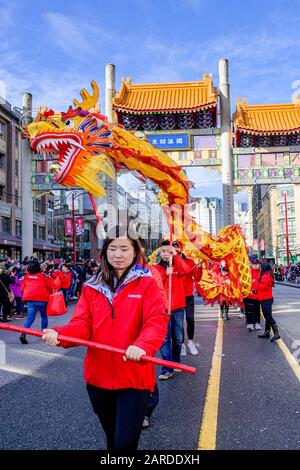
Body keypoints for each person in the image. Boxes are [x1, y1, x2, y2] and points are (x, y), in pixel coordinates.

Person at [42, 227, 168, 451]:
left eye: (124, 249)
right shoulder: (91, 286)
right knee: (111, 439)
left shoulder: (147, 283)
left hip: (134, 376)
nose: (118, 254)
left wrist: (142, 345)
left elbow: (155, 321)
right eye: (113, 249)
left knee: (125, 443)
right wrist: (60, 334)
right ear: (105, 252)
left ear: (135, 251)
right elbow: (82, 325)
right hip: (98, 378)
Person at [155, 240, 190, 380]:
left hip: (178, 308)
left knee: (178, 339)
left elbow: (186, 270)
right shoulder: (156, 268)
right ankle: (167, 368)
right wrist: (165, 274)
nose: (165, 254)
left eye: (168, 251)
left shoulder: (177, 265)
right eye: (163, 251)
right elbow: (156, 283)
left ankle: (176, 362)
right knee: (164, 340)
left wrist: (175, 256)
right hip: (163, 309)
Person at [171, 241, 202, 357]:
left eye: (177, 247)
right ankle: (182, 345)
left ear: (181, 248)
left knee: (190, 319)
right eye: (174, 247)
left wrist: (200, 268)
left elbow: (197, 278)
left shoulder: (190, 262)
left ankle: (190, 342)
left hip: (188, 296)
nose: (176, 249)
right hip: (176, 297)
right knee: (179, 323)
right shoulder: (170, 262)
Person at [20, 260, 53, 344]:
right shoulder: (43, 276)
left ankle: (23, 333)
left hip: (30, 299)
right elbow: (50, 287)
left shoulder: (26, 277)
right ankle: (43, 333)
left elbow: (22, 288)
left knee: (30, 319)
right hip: (42, 299)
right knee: (44, 316)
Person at [257, 261, 280, 342]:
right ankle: (267, 332)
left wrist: (255, 283)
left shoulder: (265, 276)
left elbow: (262, 287)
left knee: (269, 317)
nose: (259, 268)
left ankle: (276, 334)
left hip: (266, 299)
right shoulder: (267, 275)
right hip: (266, 299)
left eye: (261, 267)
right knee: (267, 316)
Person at [243, 259, 261, 331]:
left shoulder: (261, 273)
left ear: (259, 265)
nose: (255, 265)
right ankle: (249, 323)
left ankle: (257, 323)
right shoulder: (248, 273)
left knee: (257, 310)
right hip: (249, 295)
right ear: (251, 265)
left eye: (256, 264)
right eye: (254, 264)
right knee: (249, 310)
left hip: (258, 296)